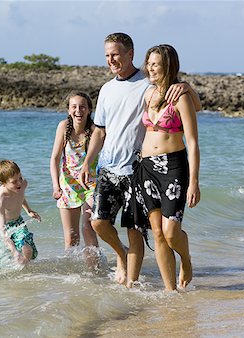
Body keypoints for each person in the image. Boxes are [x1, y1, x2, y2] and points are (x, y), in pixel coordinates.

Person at [79, 33, 201, 288]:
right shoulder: (120, 90)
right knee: (110, 224)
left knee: (157, 232)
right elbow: (99, 130)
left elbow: (189, 111)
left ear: (130, 54)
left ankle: (170, 269)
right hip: (127, 168)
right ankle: (146, 275)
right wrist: (87, 162)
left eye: (116, 54)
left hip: (154, 167)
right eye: (107, 56)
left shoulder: (153, 86)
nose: (111, 60)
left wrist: (187, 86)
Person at [124, 44, 200, 291]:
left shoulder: (181, 97)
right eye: (149, 63)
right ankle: (170, 291)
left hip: (173, 168)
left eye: (155, 63)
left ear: (168, 66)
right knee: (157, 232)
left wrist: (194, 182)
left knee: (170, 231)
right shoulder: (148, 94)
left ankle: (186, 260)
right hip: (146, 169)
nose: (150, 68)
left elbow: (192, 142)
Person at [50, 91, 99, 263]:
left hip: (90, 185)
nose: (78, 110)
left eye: (82, 107)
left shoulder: (94, 130)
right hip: (67, 185)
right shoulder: (63, 127)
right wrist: (56, 186)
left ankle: (94, 270)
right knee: (71, 239)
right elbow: (55, 158)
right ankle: (72, 278)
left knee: (88, 227)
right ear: (69, 110)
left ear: (89, 110)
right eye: (74, 107)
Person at [0, 159, 41, 266]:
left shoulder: (22, 184)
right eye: (14, 181)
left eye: (20, 178)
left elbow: (20, 197)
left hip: (17, 222)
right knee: (1, 256)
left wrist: (28, 210)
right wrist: (14, 251)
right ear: (3, 183)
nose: (19, 183)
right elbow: (2, 231)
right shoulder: (0, 198)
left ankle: (24, 271)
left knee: (28, 249)